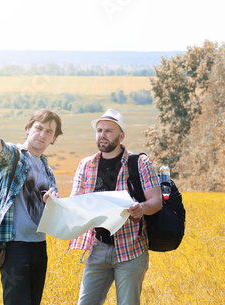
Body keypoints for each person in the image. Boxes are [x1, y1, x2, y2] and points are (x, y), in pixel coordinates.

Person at [66, 108, 162, 305]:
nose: (103, 135)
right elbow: (75, 203)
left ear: (121, 136)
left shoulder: (140, 163)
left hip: (131, 248)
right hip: (98, 247)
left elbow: (156, 202)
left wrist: (141, 208)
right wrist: (56, 201)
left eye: (109, 131)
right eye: (99, 130)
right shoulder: (86, 165)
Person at [0, 108, 63, 305]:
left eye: (49, 132)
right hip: (15, 247)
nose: (42, 134)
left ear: (53, 139)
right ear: (28, 129)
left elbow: (52, 210)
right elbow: (0, 151)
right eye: (38, 128)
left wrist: (53, 202)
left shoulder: (47, 170)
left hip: (39, 246)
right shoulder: (15, 156)